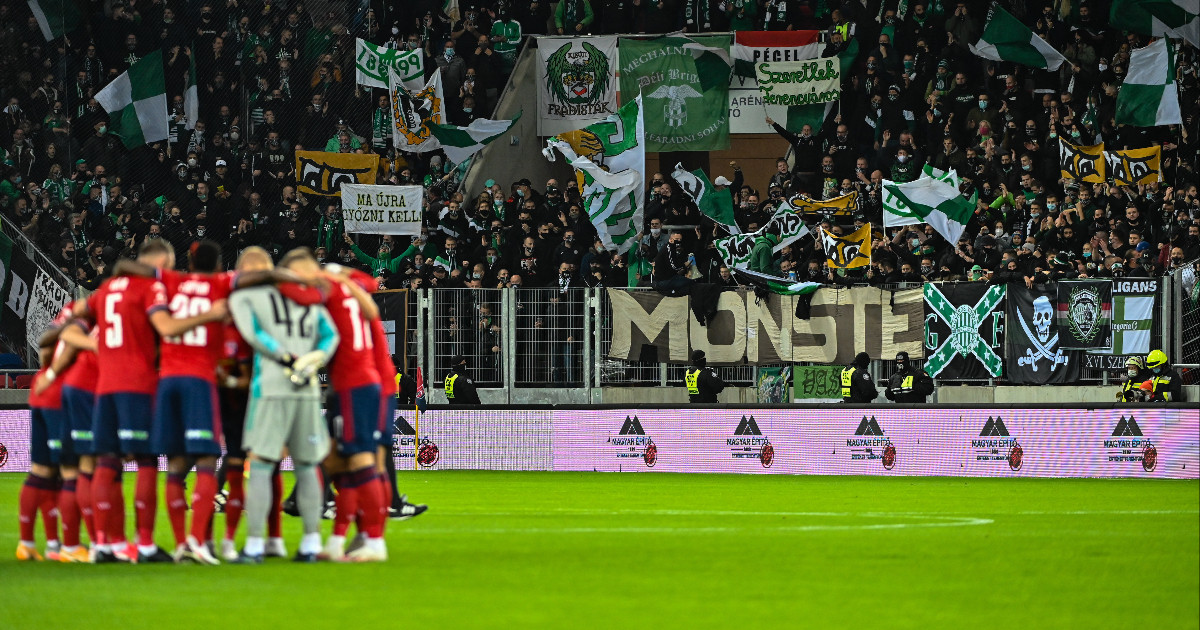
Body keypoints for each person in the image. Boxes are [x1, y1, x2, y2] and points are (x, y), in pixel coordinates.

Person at [70, 239, 225, 563]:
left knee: (106, 462)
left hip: (105, 386)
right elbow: (165, 326)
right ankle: (144, 544)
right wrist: (209, 314)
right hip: (136, 384)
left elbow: (74, 320)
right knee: (146, 462)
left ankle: (103, 543)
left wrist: (96, 347)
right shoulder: (150, 287)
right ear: (162, 261)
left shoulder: (108, 287)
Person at [228, 248, 340, 563]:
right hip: (306, 389)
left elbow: (255, 335)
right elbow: (331, 336)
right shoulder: (310, 299)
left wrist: (286, 357)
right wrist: (312, 361)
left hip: (271, 388)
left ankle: (253, 547)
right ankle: (310, 544)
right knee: (307, 467)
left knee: (262, 466)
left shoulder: (245, 298)